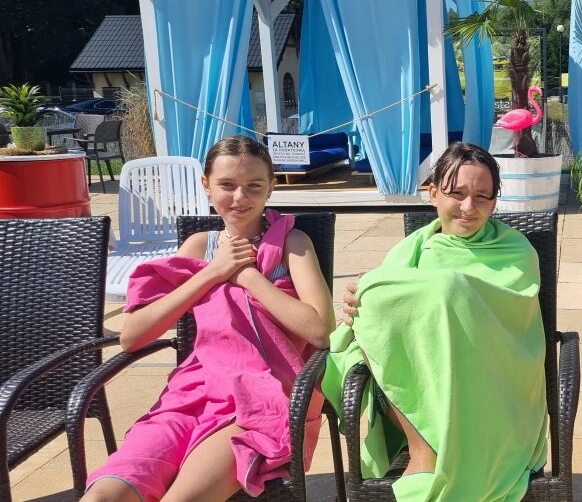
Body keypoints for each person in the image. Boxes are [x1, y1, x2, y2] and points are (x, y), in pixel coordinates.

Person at [83, 135, 335, 502]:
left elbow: (321, 330)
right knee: (103, 496)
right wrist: (213, 272)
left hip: (259, 400)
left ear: (271, 187)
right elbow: (132, 336)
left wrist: (247, 276)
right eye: (227, 185)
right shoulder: (200, 246)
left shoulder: (292, 244)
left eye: (254, 186)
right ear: (206, 185)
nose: (239, 197)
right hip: (192, 397)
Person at [324, 142, 547, 501]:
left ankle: (444, 449)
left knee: (445, 289)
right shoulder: (410, 250)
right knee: (381, 300)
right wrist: (363, 299)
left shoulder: (516, 251)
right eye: (456, 193)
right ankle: (422, 447)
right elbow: (378, 315)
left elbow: (510, 327)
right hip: (418, 391)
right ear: (433, 194)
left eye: (482, 196)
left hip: (494, 386)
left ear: (494, 203)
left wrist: (438, 294)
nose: (469, 207)